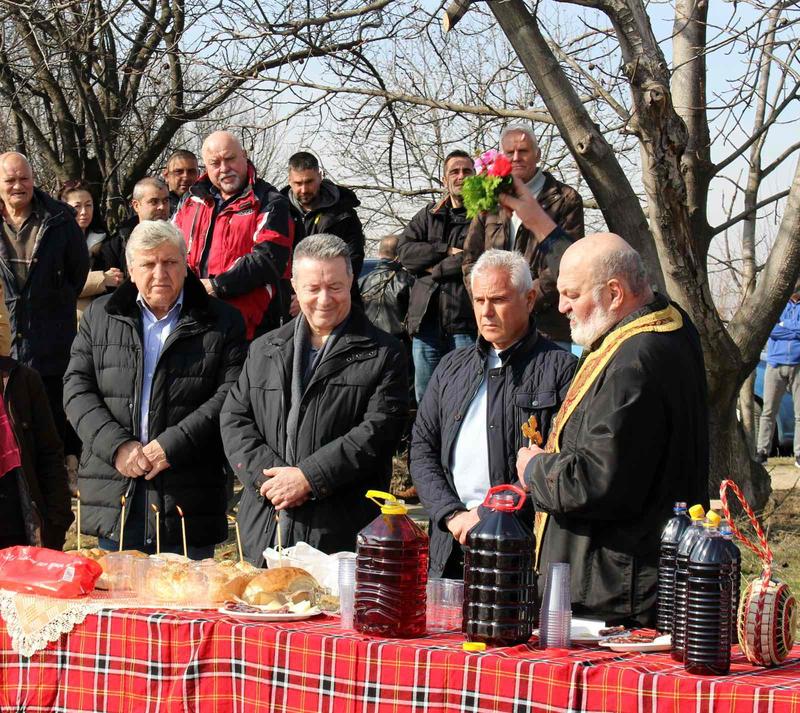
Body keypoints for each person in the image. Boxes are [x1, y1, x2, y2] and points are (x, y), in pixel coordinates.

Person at [511, 185, 708, 626]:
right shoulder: (665, 321)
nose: (560, 307)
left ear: (615, 294)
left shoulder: (634, 363)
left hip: (618, 591)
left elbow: (595, 481)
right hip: (632, 577)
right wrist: (541, 224)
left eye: (572, 295)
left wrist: (535, 469)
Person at [221, 234, 409, 565]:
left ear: (352, 280)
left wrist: (308, 477)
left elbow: (378, 432)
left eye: (335, 286)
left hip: (340, 532)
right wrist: (272, 481)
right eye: (313, 288)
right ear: (294, 286)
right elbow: (235, 419)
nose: (324, 299)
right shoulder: (265, 348)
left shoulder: (384, 353)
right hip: (266, 525)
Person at [64, 220, 246, 559]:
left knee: (189, 607)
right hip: (116, 489)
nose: (160, 272)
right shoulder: (100, 316)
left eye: (170, 262)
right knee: (119, 604)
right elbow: (76, 389)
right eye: (149, 263)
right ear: (131, 269)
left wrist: (170, 447)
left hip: (187, 495)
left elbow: (230, 396)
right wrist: (117, 446)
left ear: (186, 264)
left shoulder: (222, 321)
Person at [410, 249, 576, 578]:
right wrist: (452, 514)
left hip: (519, 547)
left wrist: (487, 513)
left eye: (498, 300)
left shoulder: (562, 370)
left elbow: (557, 459)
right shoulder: (450, 367)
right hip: (451, 543)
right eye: (479, 300)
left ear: (529, 299)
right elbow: (422, 449)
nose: (486, 312)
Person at [462, 125, 585, 346]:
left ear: (537, 155)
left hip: (547, 328)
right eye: (510, 152)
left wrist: (522, 304)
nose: (516, 157)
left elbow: (568, 262)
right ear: (502, 156)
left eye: (524, 151)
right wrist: (489, 302)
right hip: (495, 328)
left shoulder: (565, 198)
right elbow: (471, 260)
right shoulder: (490, 197)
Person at [174, 131, 300, 340]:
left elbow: (269, 258)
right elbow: (170, 249)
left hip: (250, 328)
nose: (224, 168)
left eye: (230, 158)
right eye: (215, 163)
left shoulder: (270, 201)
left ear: (244, 155)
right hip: (192, 320)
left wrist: (217, 286)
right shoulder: (189, 201)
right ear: (205, 166)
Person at [0, 152, 89, 446]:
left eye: (24, 178)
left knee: (51, 431)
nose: (17, 186)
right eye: (9, 180)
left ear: (34, 179)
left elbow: (78, 273)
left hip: (51, 343)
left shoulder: (61, 220)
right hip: (4, 340)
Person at [398, 149, 477, 403]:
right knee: (427, 401)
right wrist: (445, 250)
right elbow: (405, 253)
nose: (461, 176)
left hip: (465, 326)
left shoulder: (484, 217)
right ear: (445, 179)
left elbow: (476, 259)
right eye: (454, 171)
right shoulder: (428, 215)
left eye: (466, 171)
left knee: (466, 398)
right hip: (426, 328)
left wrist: (433, 268)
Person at [58, 180, 124, 320]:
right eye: (77, 206)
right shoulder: (55, 243)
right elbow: (58, 286)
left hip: (100, 320)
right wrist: (102, 279)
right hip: (66, 321)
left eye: (88, 205)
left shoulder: (106, 242)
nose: (83, 212)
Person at [757, 288, 800, 467]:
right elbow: (770, 329)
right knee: (768, 411)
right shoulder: (777, 305)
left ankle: (798, 454)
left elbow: (780, 329)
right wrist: (794, 329)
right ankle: (762, 452)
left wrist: (783, 325)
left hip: (798, 364)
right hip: (774, 364)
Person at [98, 176, 171, 279]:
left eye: (165, 201)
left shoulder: (178, 238)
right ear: (136, 205)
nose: (162, 207)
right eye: (154, 202)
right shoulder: (117, 245)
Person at [358, 235, 413, 341]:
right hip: (400, 342)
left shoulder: (362, 282)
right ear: (400, 255)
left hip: (370, 340)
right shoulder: (408, 280)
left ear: (379, 254)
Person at [162, 149, 199, 215]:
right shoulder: (157, 208)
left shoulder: (209, 205)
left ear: (198, 174)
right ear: (166, 175)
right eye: (178, 171)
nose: (186, 177)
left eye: (191, 171)